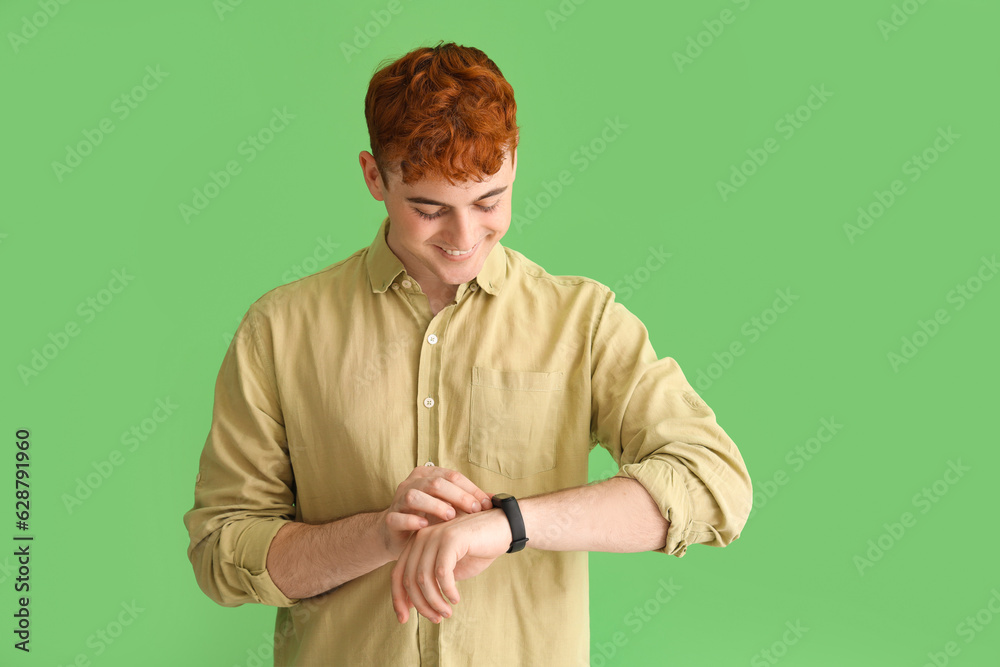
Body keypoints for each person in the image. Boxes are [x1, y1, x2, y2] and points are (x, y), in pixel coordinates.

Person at [183, 41, 753, 666]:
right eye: (429, 209)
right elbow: (222, 549)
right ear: (375, 177)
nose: (464, 238)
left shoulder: (582, 322)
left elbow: (712, 481)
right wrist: (380, 534)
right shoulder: (279, 330)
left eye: (489, 201)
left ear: (514, 163)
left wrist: (507, 524)